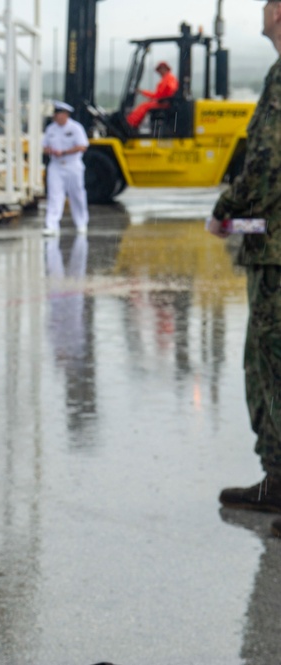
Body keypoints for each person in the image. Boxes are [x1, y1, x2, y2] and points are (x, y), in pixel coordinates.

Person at [207, 0, 281, 540]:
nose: (262, 8)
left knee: (272, 363)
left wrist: (226, 209)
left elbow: (268, 160)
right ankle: (277, 479)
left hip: (275, 249)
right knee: (264, 364)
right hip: (269, 244)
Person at [42, 101, 90, 236]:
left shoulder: (75, 128)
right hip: (56, 165)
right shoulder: (51, 129)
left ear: (66, 115)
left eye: (59, 114)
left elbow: (83, 146)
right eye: (56, 114)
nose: (57, 117)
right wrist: (51, 151)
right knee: (54, 195)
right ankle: (51, 225)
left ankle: (81, 223)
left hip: (72, 165)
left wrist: (64, 152)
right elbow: (44, 147)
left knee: (77, 195)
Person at [126, 61, 179, 129]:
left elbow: (159, 94)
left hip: (165, 103)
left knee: (144, 106)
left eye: (159, 70)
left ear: (164, 69)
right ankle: (132, 122)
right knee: (145, 105)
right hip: (164, 101)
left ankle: (131, 123)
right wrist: (143, 92)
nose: (159, 72)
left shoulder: (168, 79)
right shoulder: (167, 78)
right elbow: (158, 95)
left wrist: (143, 92)